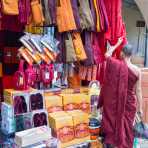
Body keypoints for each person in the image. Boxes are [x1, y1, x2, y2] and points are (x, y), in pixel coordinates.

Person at [98, 38, 143, 148]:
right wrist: (140, 108)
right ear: (131, 55)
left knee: (114, 125)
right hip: (129, 103)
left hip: (115, 102)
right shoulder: (137, 70)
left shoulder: (115, 64)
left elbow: (107, 54)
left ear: (122, 53)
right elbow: (138, 91)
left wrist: (117, 43)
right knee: (127, 128)